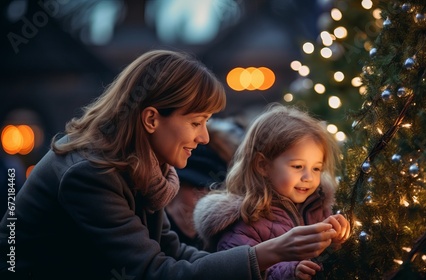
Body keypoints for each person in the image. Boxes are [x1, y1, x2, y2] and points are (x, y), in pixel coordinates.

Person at [0, 50, 341, 280]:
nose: (205, 137)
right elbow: (156, 272)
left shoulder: (145, 169)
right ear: (151, 119)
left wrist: (264, 254)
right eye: (196, 122)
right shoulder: (90, 175)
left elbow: (174, 254)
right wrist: (269, 252)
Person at [193, 103, 351, 280]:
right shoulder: (245, 220)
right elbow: (241, 272)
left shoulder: (318, 207)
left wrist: (336, 241)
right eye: (298, 166)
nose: (309, 177)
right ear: (263, 165)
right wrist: (291, 273)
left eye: (316, 169)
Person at [167, 118, 244, 248]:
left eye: (213, 190)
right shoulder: (149, 227)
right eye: (197, 187)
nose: (204, 198)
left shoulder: (228, 238)